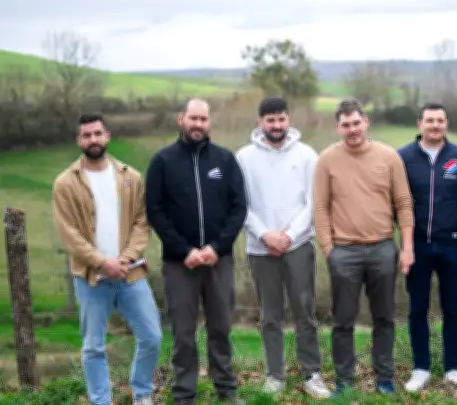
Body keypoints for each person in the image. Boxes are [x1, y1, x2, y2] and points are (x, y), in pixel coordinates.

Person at [52, 113, 162, 405]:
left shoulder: (131, 177)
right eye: (86, 135)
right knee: (93, 347)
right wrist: (103, 262)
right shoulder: (65, 183)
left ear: (107, 136)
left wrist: (124, 259)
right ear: (79, 140)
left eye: (97, 134)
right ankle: (101, 400)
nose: (93, 140)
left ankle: (142, 394)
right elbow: (69, 234)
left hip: (131, 273)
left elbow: (142, 222)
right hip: (91, 278)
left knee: (151, 336)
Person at [145, 98, 247, 404]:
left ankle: (227, 391)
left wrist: (217, 247)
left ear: (209, 122)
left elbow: (238, 208)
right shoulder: (162, 161)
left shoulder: (225, 160)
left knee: (220, 329)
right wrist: (184, 250)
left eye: (203, 119)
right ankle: (184, 395)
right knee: (183, 334)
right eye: (193, 118)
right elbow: (155, 211)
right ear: (181, 119)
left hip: (219, 261)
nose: (198, 124)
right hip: (180, 264)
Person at [313, 99, 415, 395]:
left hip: (383, 248)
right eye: (346, 125)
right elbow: (320, 208)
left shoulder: (389, 156)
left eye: (356, 123)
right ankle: (345, 381)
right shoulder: (327, 160)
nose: (352, 129)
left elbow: (404, 204)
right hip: (343, 252)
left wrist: (406, 246)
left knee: (384, 318)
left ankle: (384, 379)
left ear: (366, 122)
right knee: (343, 321)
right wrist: (329, 249)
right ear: (338, 127)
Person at [235, 97, 331, 399]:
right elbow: (240, 205)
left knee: (304, 312)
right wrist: (266, 235)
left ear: (288, 120)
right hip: (261, 249)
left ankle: (312, 374)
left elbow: (314, 202)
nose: (276, 125)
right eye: (270, 120)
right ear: (259, 122)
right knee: (270, 315)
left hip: (298, 245)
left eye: (280, 119)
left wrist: (288, 236)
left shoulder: (306, 155)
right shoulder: (243, 157)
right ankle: (275, 376)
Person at [397, 102, 457, 392]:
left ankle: (453, 368)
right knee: (418, 308)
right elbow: (396, 201)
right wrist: (405, 243)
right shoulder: (402, 157)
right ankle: (421, 368)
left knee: (452, 308)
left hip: (452, 244)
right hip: (416, 245)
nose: (435, 125)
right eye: (429, 121)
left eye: (440, 120)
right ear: (420, 124)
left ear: (446, 124)